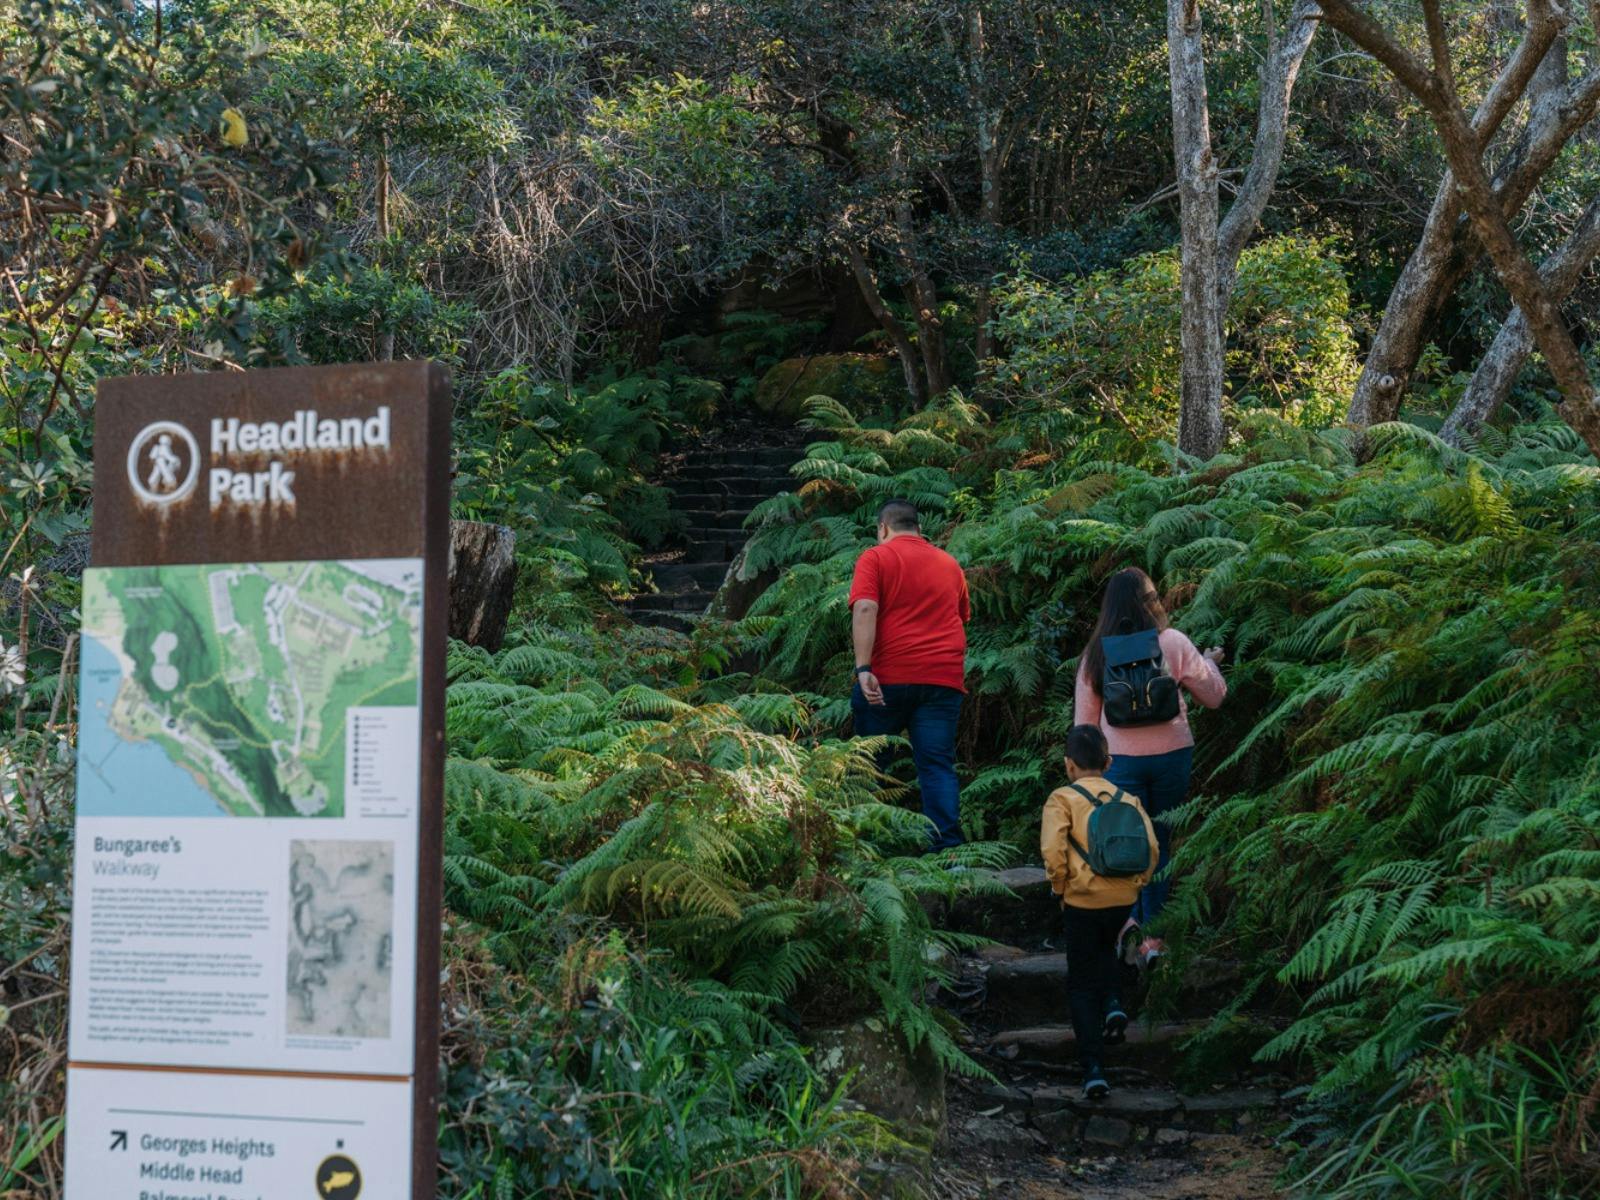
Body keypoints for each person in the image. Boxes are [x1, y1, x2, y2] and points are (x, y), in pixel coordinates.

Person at [1073, 567, 1225, 966]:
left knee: (1124, 846)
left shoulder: (1097, 653)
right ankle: (1154, 941)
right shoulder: (1172, 642)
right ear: (1151, 602)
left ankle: (1125, 929)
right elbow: (1214, 697)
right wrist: (1210, 663)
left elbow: (1084, 726)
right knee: (1160, 843)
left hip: (1118, 762)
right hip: (1173, 756)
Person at [1040, 724, 1158, 1100]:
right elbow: (1152, 851)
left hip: (1081, 900)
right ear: (1108, 762)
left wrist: (1061, 888)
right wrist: (1134, 886)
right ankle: (1113, 1004)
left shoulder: (1061, 799)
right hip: (1121, 899)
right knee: (1108, 950)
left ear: (1068, 765)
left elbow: (1052, 851)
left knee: (1080, 982)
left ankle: (1093, 1068)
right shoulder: (1129, 799)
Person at [849, 498, 971, 852]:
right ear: (919, 529)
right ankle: (948, 851)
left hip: (887, 678)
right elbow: (960, 616)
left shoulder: (875, 557)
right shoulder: (950, 564)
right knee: (936, 765)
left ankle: (871, 848)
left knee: (872, 764)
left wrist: (863, 667)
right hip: (941, 680)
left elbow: (866, 607)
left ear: (883, 528)